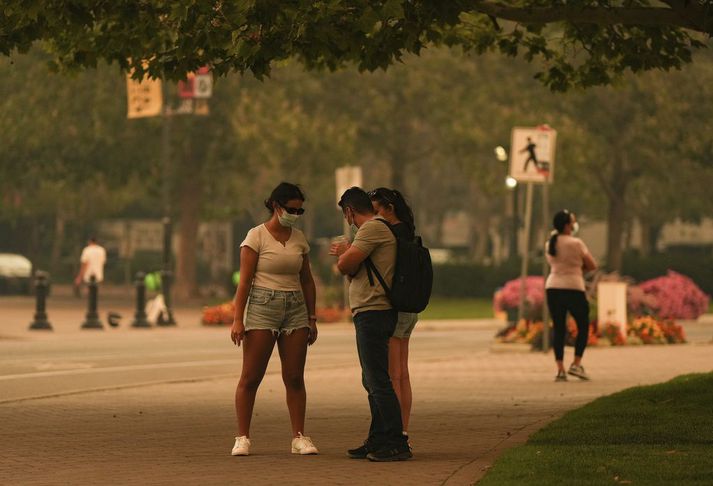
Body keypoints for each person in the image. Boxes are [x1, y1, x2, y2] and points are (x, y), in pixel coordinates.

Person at [229, 182, 319, 457]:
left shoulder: (299, 239)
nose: (295, 214)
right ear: (277, 206)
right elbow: (244, 282)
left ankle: (299, 437)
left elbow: (306, 280)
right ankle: (242, 437)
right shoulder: (256, 237)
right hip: (262, 306)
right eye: (291, 209)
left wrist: (312, 317)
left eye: (300, 210)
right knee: (251, 376)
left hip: (295, 308)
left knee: (294, 377)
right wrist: (238, 319)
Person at [330, 186, 412, 462]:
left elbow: (344, 266)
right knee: (372, 379)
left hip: (374, 312)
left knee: (379, 380)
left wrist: (346, 255)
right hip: (370, 311)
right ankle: (377, 438)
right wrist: (349, 258)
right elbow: (352, 267)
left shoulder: (371, 229)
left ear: (350, 211)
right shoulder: (374, 231)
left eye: (346, 215)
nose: (348, 220)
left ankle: (396, 440)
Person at [368, 187, 418, 440]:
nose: (374, 217)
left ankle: (396, 435)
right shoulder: (408, 231)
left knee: (392, 375)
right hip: (410, 308)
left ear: (389, 208)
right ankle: (404, 429)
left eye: (376, 211)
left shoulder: (389, 234)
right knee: (403, 373)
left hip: (395, 309)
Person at [545, 210, 597, 382]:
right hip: (574, 287)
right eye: (573, 222)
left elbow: (555, 264)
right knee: (583, 325)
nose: (575, 225)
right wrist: (577, 270)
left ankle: (560, 370)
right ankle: (576, 363)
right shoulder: (576, 243)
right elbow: (592, 265)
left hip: (553, 287)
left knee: (559, 327)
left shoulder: (550, 243)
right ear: (568, 225)